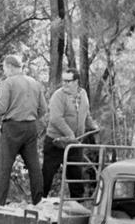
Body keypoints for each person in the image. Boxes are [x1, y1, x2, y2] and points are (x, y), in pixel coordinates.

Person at [0, 55, 47, 205]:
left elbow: (1, 108)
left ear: (10, 67)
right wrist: (31, 117)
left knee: (4, 168)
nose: (4, 71)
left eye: (4, 68)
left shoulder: (8, 83)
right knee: (34, 168)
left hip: (12, 129)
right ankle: (39, 202)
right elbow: (44, 109)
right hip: (31, 128)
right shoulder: (35, 83)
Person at [42, 68, 98, 199]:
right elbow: (56, 119)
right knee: (47, 175)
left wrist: (92, 126)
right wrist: (69, 134)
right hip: (56, 142)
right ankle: (39, 201)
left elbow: (86, 114)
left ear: (76, 82)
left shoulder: (83, 94)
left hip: (75, 144)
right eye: (64, 81)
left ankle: (77, 205)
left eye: (68, 81)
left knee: (75, 175)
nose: (65, 83)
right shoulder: (58, 95)